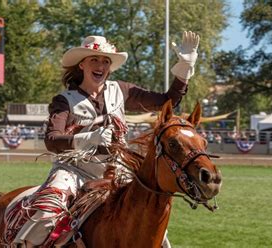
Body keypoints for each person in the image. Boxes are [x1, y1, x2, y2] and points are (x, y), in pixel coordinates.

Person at [11, 31, 200, 247]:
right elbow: (52, 140)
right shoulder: (64, 100)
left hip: (117, 171)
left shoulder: (121, 90)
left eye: (105, 61)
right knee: (47, 212)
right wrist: (89, 138)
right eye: (94, 59)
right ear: (82, 65)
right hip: (73, 171)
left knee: (151, 220)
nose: (100, 65)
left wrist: (184, 70)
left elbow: (167, 100)